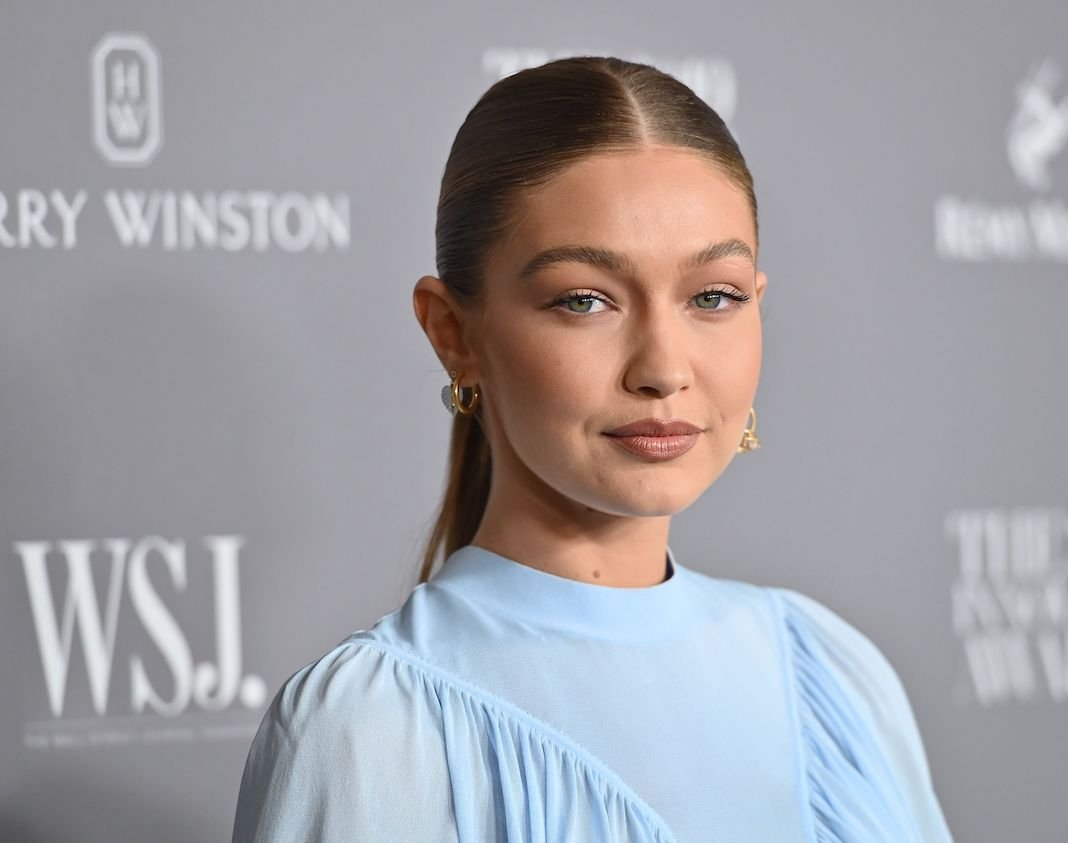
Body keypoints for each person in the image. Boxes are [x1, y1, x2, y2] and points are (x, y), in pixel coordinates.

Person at [232, 56, 954, 842]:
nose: (665, 369)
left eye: (713, 296)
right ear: (453, 334)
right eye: (586, 300)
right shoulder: (372, 730)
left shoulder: (833, 674)